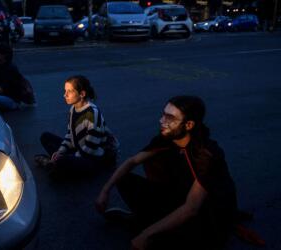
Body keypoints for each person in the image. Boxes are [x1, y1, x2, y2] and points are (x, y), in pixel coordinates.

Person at [95, 96, 237, 250]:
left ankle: (148, 226)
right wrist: (105, 191)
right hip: (179, 198)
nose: (162, 121)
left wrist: (146, 234)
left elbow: (192, 207)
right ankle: (150, 224)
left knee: (174, 239)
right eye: (163, 115)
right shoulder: (166, 139)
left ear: (189, 125)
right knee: (125, 179)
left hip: (208, 215)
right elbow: (132, 161)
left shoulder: (206, 154)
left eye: (170, 118)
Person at [35, 75, 117, 176]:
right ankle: (55, 163)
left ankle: (52, 164)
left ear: (82, 94)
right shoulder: (73, 109)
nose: (65, 95)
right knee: (45, 137)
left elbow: (91, 147)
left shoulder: (92, 113)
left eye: (69, 91)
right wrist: (60, 151)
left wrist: (69, 156)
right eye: (65, 91)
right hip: (79, 149)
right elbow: (70, 135)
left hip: (94, 158)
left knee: (61, 165)